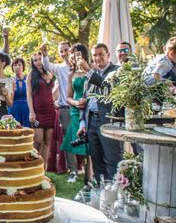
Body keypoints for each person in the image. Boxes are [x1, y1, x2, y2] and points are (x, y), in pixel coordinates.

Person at [78, 43, 122, 184]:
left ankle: (116, 191)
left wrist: (89, 72)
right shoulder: (93, 73)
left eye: (101, 54)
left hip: (109, 122)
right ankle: (101, 191)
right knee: (96, 160)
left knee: (112, 159)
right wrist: (82, 122)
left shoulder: (117, 71)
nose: (97, 58)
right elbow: (86, 98)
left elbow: (108, 88)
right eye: (95, 55)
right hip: (91, 122)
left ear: (108, 55)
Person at [39, 42, 77, 179]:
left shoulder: (80, 66)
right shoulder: (60, 69)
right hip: (65, 109)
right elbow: (48, 66)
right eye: (61, 51)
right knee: (69, 140)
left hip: (81, 108)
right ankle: (73, 171)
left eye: (66, 50)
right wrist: (45, 55)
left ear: (71, 51)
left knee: (84, 140)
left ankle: (87, 170)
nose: (64, 53)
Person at [60, 44, 90, 183]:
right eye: (73, 54)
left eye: (78, 53)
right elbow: (68, 97)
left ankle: (89, 173)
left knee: (88, 142)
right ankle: (73, 171)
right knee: (73, 141)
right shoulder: (71, 74)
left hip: (90, 109)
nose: (75, 56)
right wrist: (76, 103)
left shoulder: (92, 70)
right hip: (75, 110)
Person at [26, 52, 57, 167]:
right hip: (38, 112)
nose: (38, 62)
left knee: (47, 141)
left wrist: (54, 99)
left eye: (40, 59)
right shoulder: (31, 75)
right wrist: (31, 111)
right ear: (32, 63)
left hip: (50, 111)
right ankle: (35, 167)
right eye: (35, 60)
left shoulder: (49, 73)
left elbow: (57, 84)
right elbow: (28, 95)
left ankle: (43, 169)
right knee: (38, 141)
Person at [9, 57, 30, 127]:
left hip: (26, 109)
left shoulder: (28, 79)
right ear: (12, 68)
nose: (17, 67)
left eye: (19, 65)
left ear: (23, 67)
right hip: (14, 109)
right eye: (15, 65)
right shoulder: (10, 80)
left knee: (26, 130)